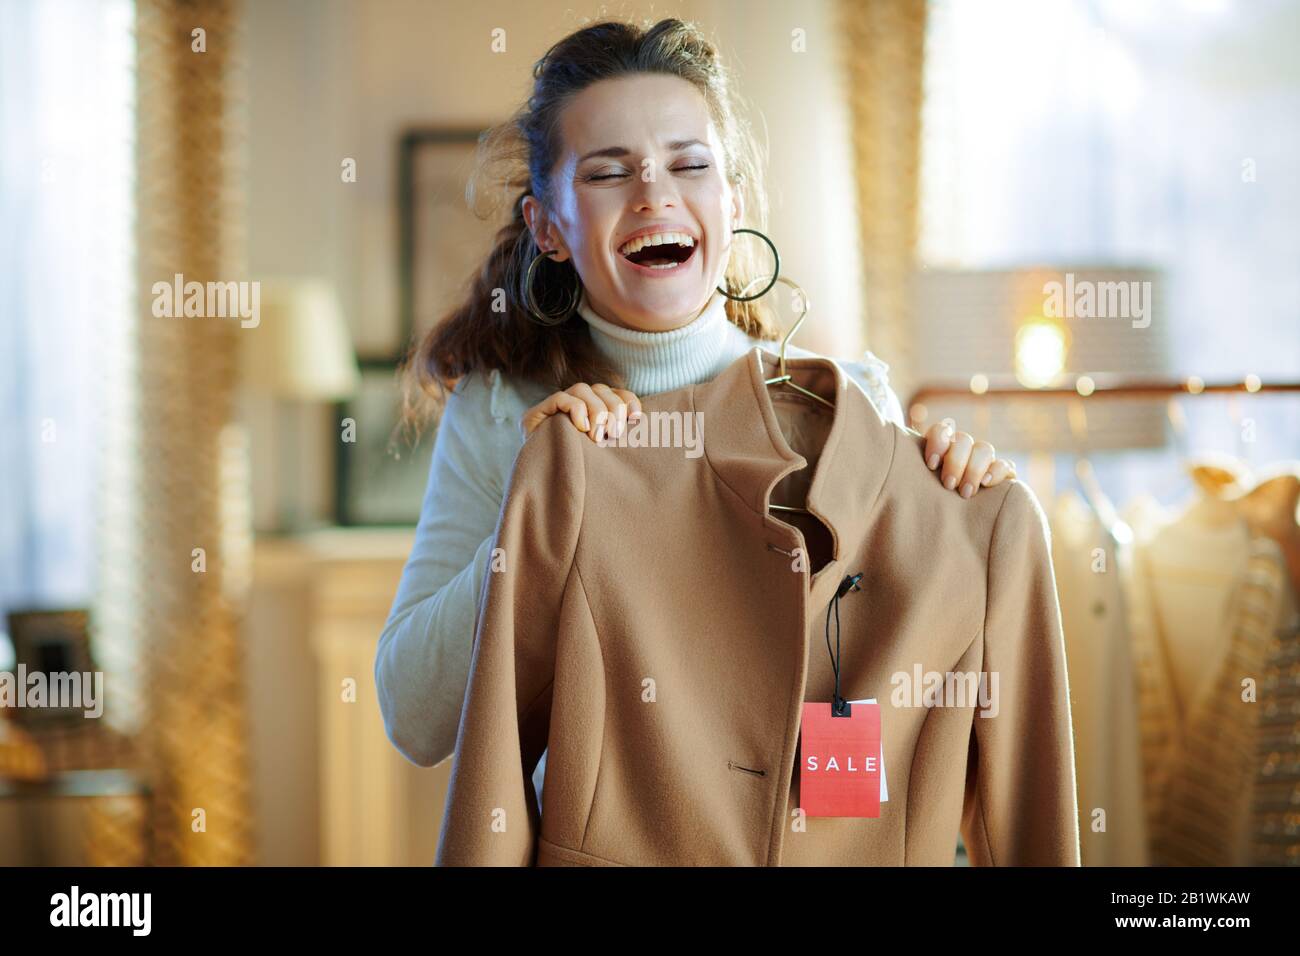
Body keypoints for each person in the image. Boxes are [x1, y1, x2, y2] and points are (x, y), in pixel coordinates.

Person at [376, 18, 1017, 770]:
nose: (653, 193)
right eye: (609, 172)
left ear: (733, 201)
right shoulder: (499, 414)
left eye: (688, 164)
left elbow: (917, 695)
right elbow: (414, 718)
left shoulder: (848, 407)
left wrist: (957, 515)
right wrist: (538, 511)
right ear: (548, 226)